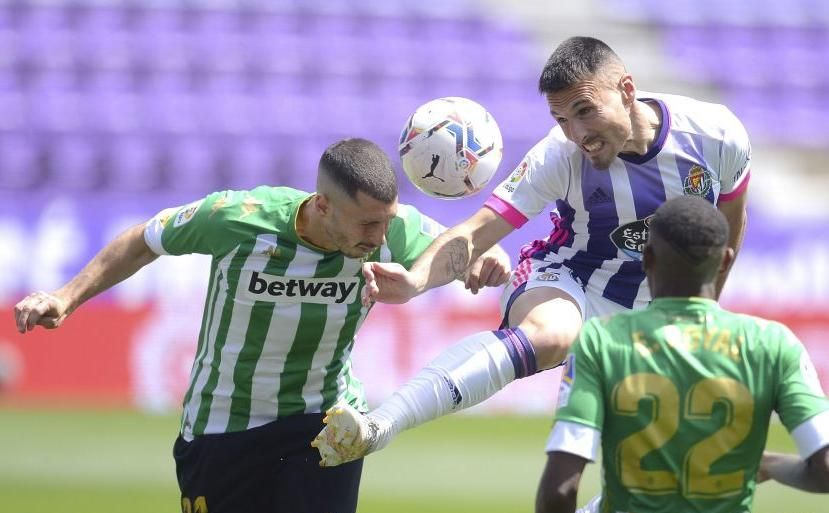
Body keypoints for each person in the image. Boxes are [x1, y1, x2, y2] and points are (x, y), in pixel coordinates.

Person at [313, 36, 751, 466]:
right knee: (551, 334)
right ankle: (379, 426)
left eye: (585, 111)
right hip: (570, 276)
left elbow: (728, 229)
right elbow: (476, 232)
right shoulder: (558, 156)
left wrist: (703, 309)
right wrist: (415, 282)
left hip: (651, 310)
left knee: (669, 467)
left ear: (627, 90)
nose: (578, 134)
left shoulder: (715, 134)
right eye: (562, 119)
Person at [13, 138, 510, 513]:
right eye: (365, 225)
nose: (379, 237)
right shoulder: (239, 218)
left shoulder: (387, 228)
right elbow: (145, 240)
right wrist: (65, 296)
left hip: (325, 423)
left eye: (386, 222)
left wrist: (490, 261)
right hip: (223, 425)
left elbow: (464, 244)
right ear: (321, 205)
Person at [535, 196, 829, 513]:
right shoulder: (773, 343)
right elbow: (825, 469)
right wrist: (770, 465)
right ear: (726, 261)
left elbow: (559, 491)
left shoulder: (602, 340)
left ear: (646, 258)